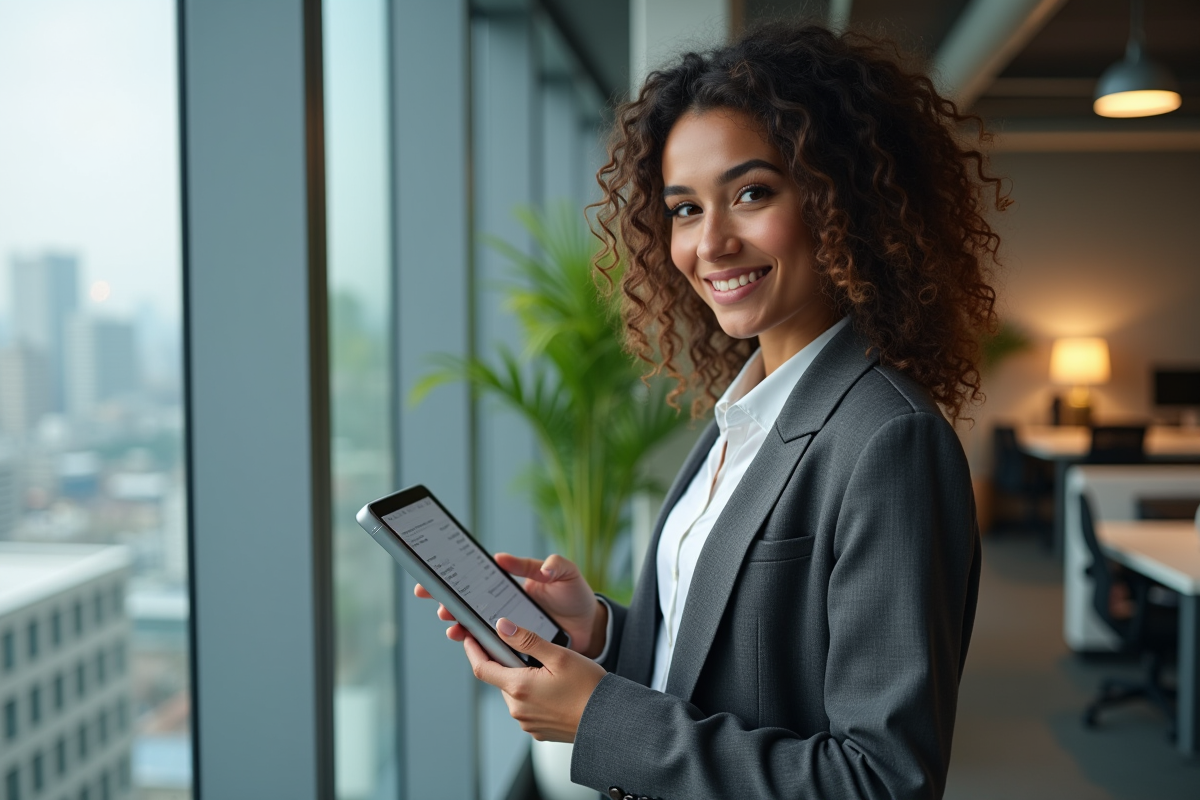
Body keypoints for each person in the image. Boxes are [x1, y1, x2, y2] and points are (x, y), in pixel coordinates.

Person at [416, 21, 1004, 800]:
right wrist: (600, 630)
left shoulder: (886, 439)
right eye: (685, 209)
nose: (711, 242)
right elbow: (731, 666)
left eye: (751, 193)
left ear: (841, 202)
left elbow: (882, 782)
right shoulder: (746, 413)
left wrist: (600, 720)